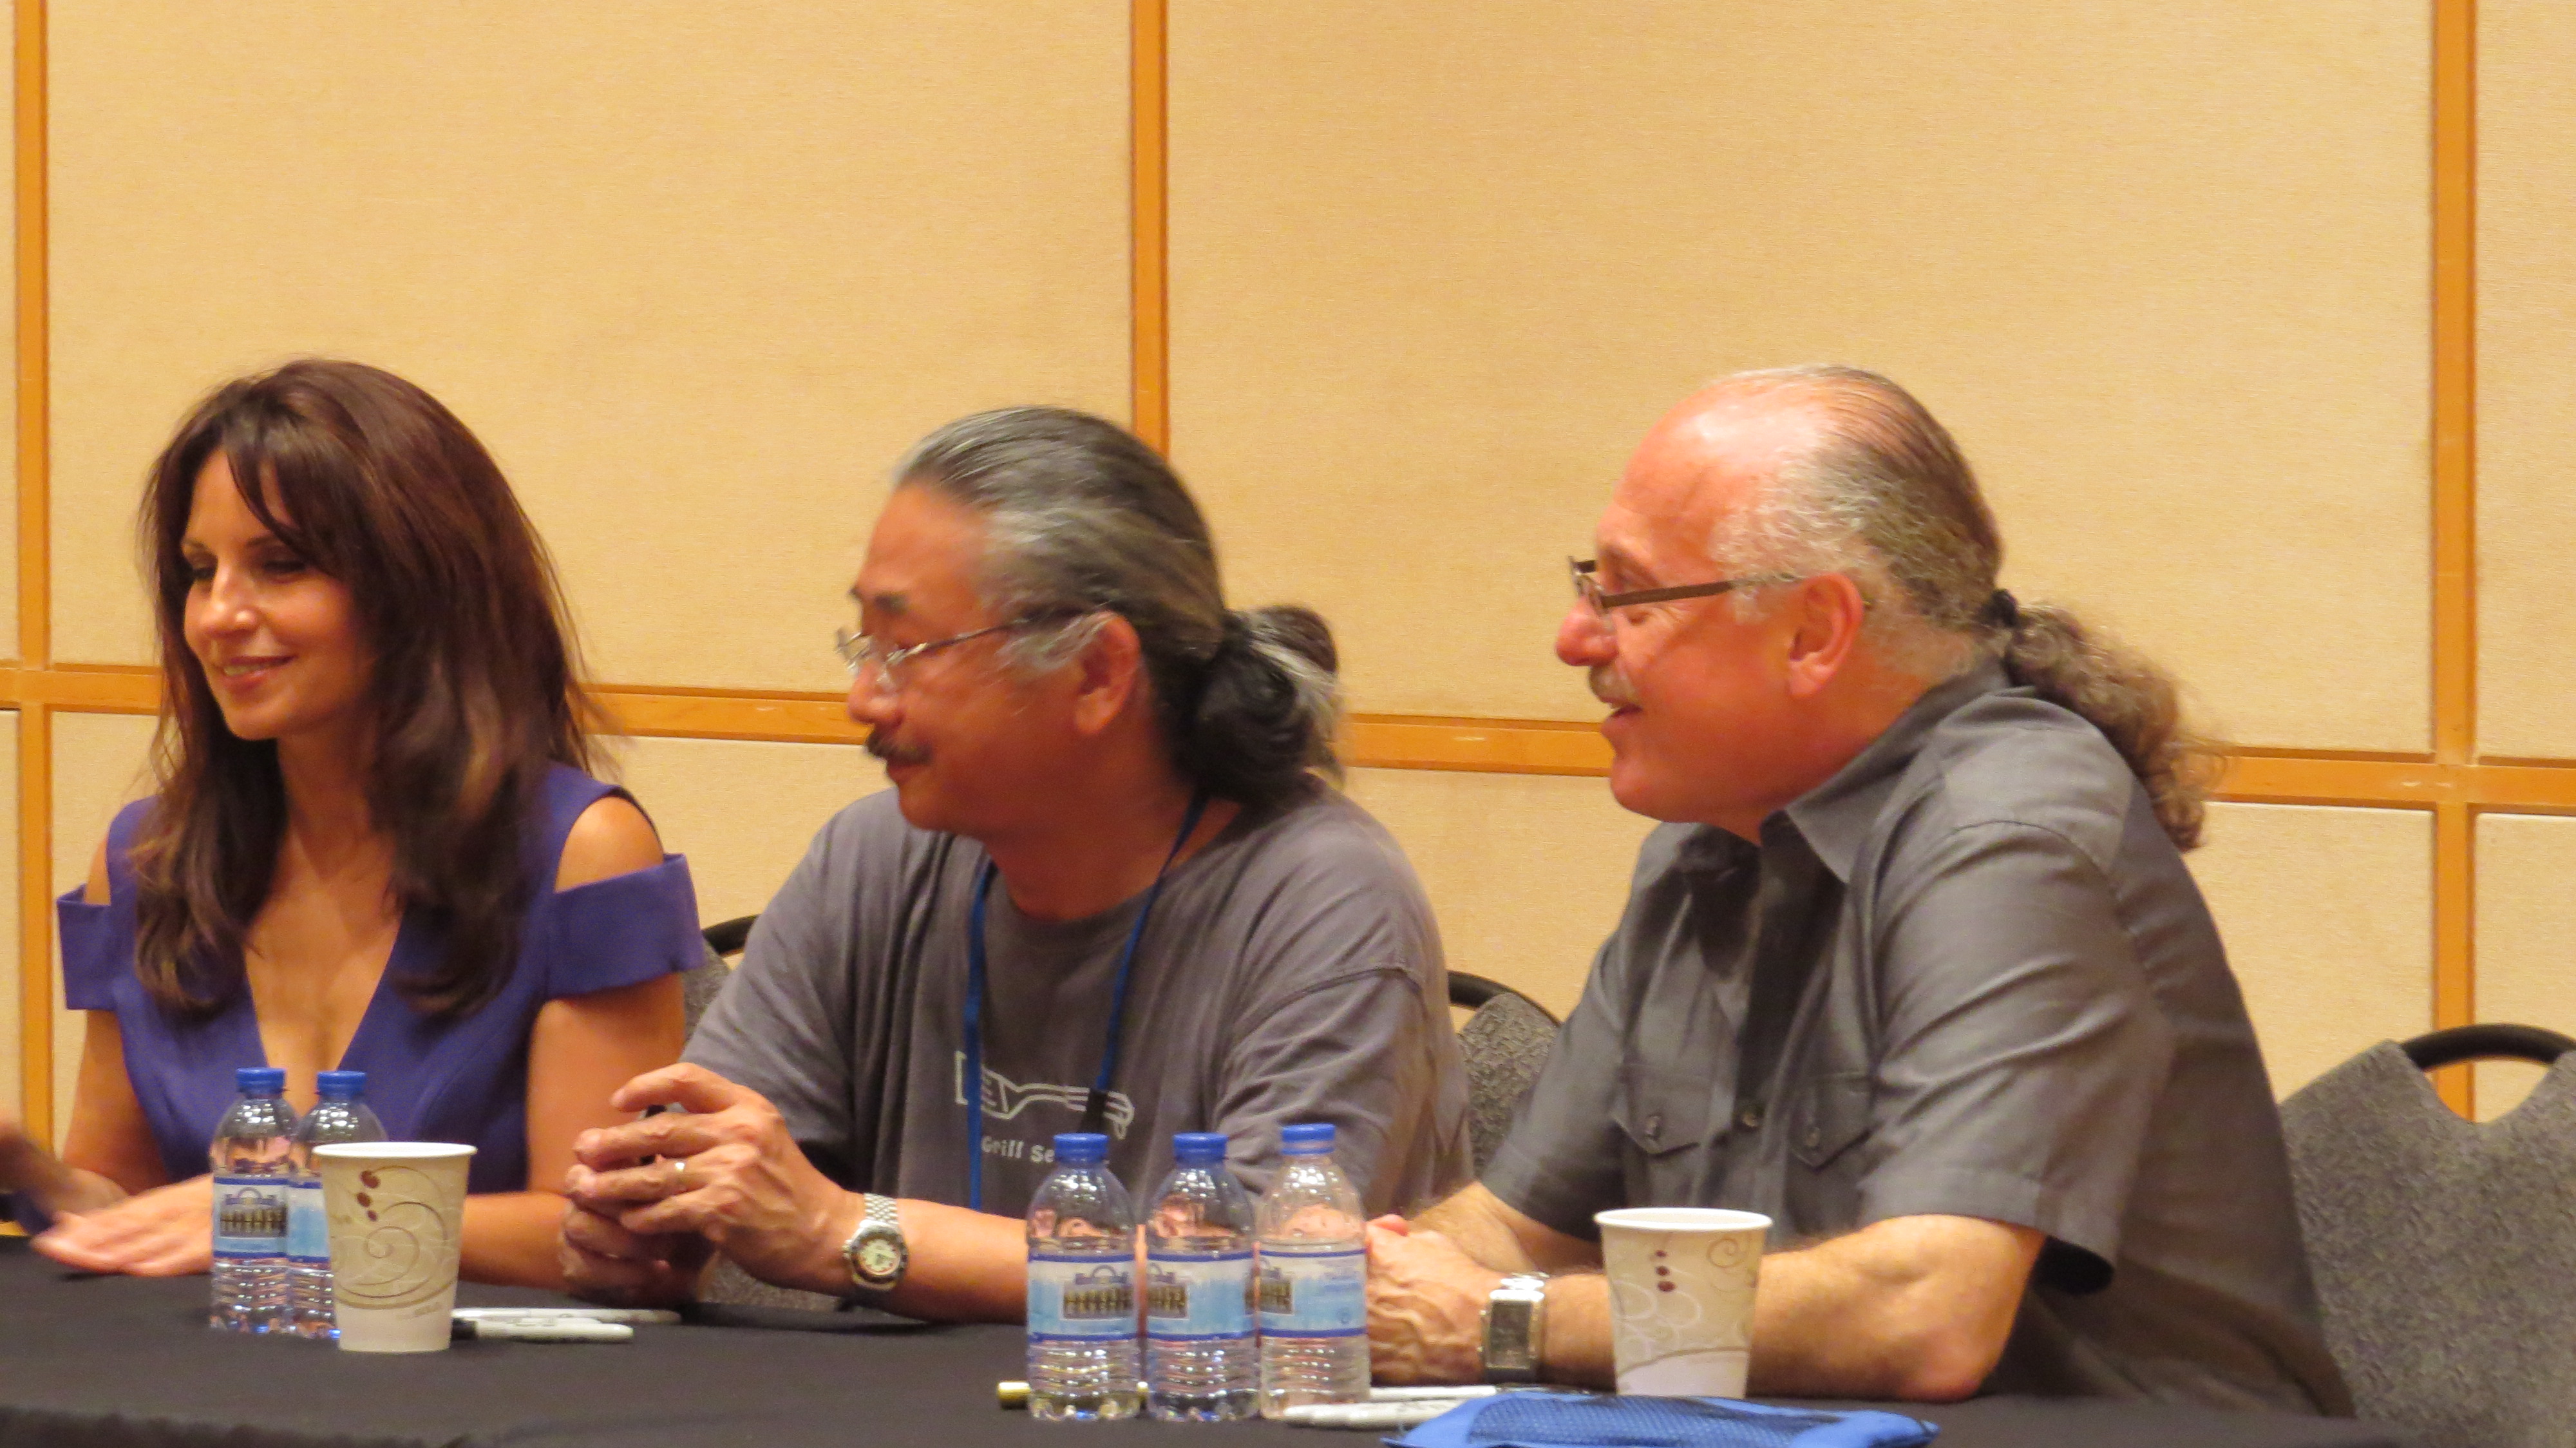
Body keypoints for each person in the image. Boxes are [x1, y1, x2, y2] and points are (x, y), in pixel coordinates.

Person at [1363, 366, 2349, 1413]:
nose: (1577, 637)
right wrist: (1340, 1282)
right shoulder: (1705, 850)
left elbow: (1927, 1319)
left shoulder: (2003, 834)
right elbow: (1512, 1230)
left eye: (1629, 594)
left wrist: (1507, 1323)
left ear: (1815, 633)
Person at [559, 405, 1471, 1320]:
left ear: (1097, 673)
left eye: (906, 650)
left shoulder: (1323, 897)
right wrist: (657, 1218)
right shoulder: (874, 858)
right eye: (864, 645)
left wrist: (854, 1234)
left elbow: (1279, 1281)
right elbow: (716, 1167)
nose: (862, 698)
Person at [0, 359, 701, 1288]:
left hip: (469, 1405)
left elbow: (616, 1248)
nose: (218, 615)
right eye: (199, 572)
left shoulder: (581, 852)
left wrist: (300, 1219)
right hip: (203, 1403)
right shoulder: (145, 861)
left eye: (281, 566)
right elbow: (141, 1214)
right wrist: (35, 1175)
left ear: (420, 585)